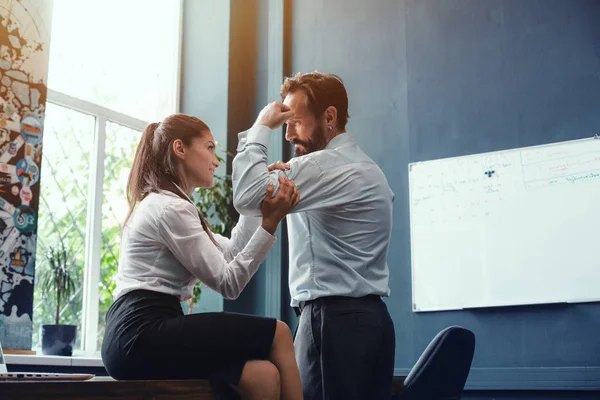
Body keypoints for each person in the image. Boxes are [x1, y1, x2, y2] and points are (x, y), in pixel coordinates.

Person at [101, 114, 304, 400]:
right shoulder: (169, 208)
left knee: (263, 377)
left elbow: (232, 252)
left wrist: (258, 201)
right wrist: (270, 223)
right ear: (180, 149)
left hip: (134, 335)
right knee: (279, 333)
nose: (216, 160)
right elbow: (229, 283)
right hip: (141, 331)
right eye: (209, 147)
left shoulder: (171, 206)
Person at [232, 72, 396, 400]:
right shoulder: (367, 168)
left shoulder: (321, 167)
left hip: (331, 322)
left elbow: (245, 196)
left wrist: (261, 126)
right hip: (372, 323)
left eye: (294, 121)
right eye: (283, 122)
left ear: (329, 117)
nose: (288, 132)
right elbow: (256, 206)